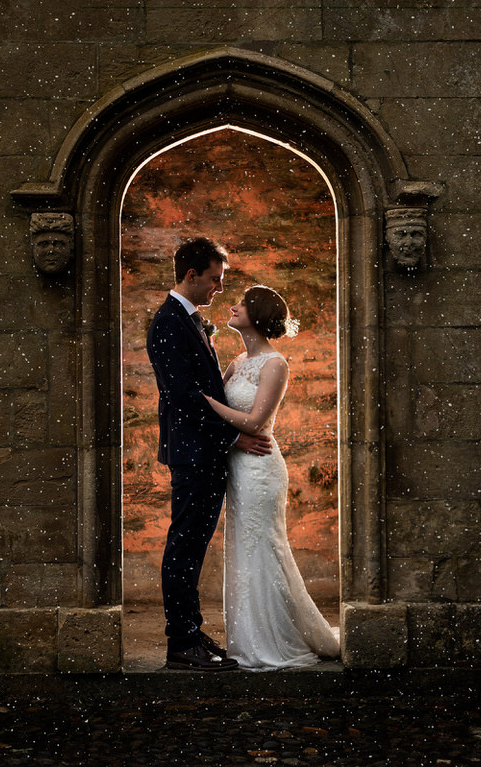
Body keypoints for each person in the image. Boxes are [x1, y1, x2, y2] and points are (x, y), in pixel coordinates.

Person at [146, 237, 272, 671]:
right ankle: (181, 642)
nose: (219, 288)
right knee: (184, 547)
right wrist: (233, 438)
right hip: (193, 453)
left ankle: (190, 630)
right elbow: (182, 395)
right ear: (191, 275)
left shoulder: (192, 321)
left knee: (192, 546)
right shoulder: (168, 322)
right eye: (215, 280)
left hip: (203, 451)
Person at [203, 285, 340, 670]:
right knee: (243, 552)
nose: (232, 306)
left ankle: (274, 640)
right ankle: (246, 639)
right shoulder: (235, 362)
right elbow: (227, 423)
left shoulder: (275, 364)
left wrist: (205, 400)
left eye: (242, 303)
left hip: (261, 470)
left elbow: (256, 421)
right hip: (236, 467)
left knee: (263, 548)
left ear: (257, 313)